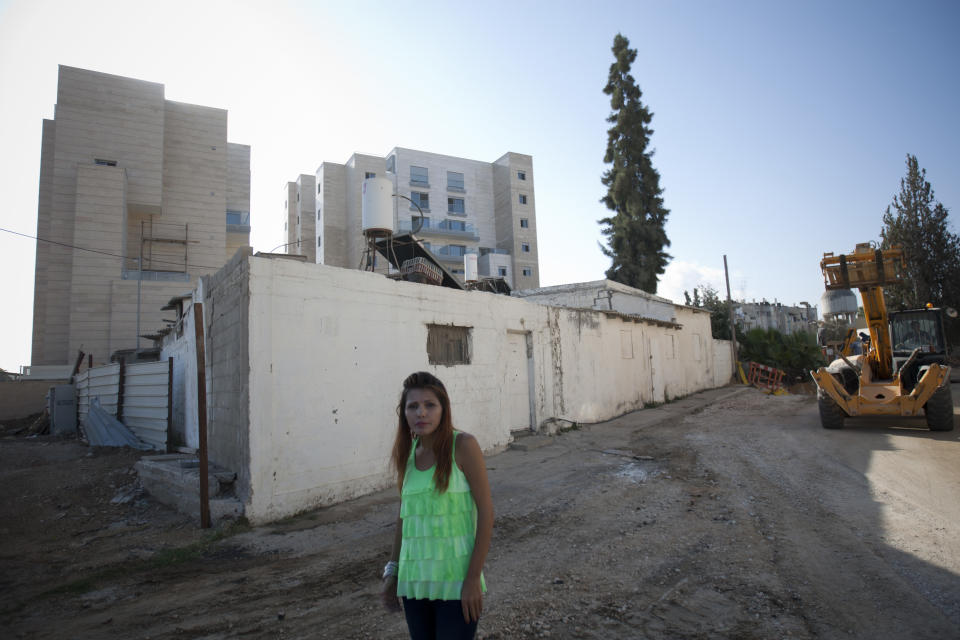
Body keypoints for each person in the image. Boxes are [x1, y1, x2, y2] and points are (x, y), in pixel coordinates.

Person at [381, 372, 494, 639]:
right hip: (415, 581)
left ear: (444, 409)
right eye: (413, 406)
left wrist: (472, 580)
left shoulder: (464, 445)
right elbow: (404, 518)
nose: (421, 412)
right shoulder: (408, 453)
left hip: (456, 583)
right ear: (404, 413)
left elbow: (487, 513)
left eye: (430, 405)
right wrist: (392, 572)